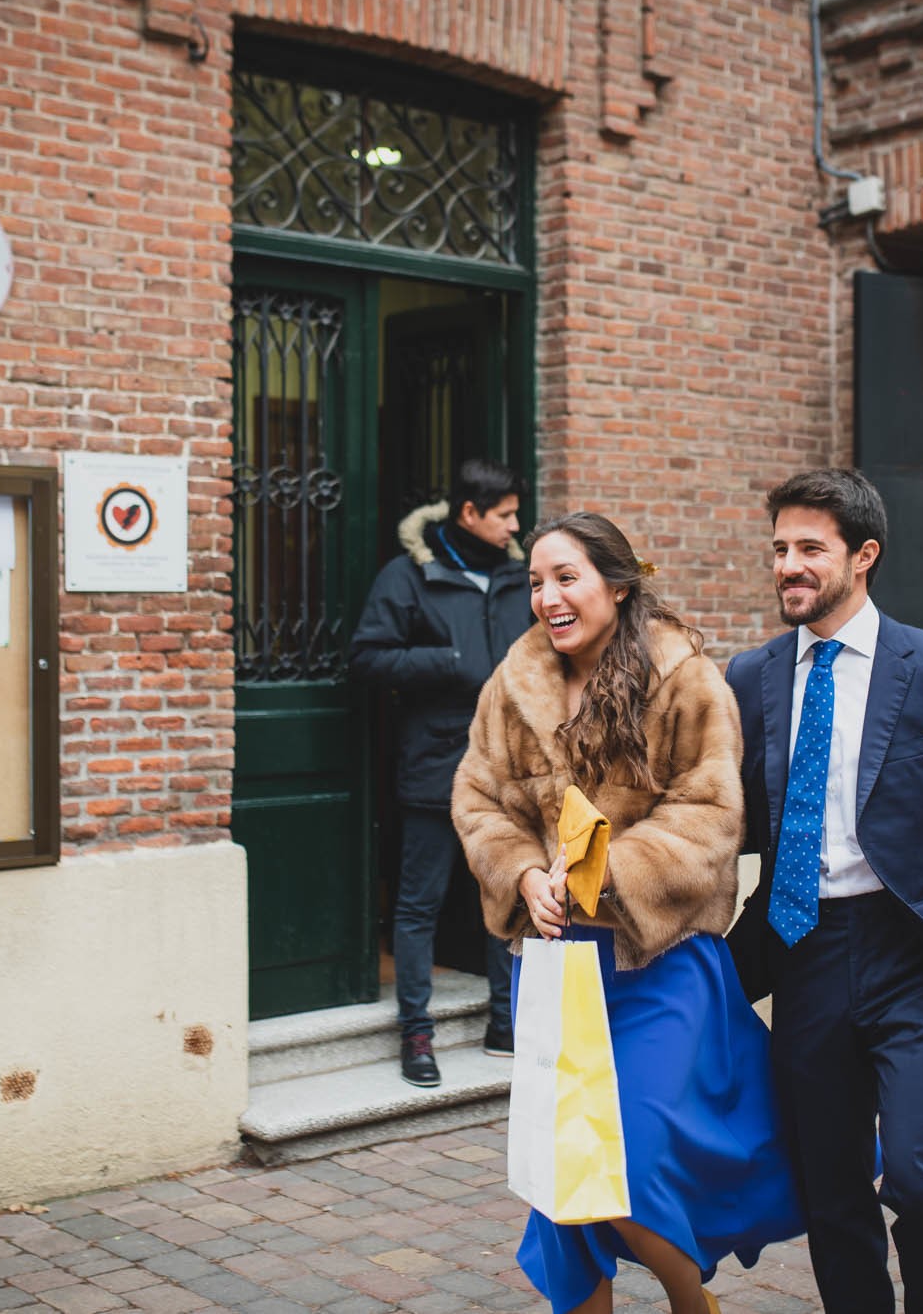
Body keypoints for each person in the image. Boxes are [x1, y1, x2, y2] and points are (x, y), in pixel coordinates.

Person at [453, 512, 803, 1314]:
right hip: (557, 965)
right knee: (565, 1179)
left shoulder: (684, 679)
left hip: (659, 963)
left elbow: (711, 816)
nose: (548, 597)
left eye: (566, 577)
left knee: (632, 1164)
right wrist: (523, 874)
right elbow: (477, 800)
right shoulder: (513, 684)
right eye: (536, 582)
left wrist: (604, 872)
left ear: (616, 584)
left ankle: (692, 1303)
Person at [725, 469, 923, 1314]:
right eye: (780, 548)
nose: (789, 565)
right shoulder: (751, 677)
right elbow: (715, 816)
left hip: (915, 957)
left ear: (863, 555)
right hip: (803, 950)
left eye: (810, 548)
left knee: (921, 1173)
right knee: (829, 1185)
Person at [349, 459, 532, 1088]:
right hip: (435, 765)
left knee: (507, 895)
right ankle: (416, 1032)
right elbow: (368, 657)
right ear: (469, 513)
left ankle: (506, 1023)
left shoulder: (520, 578)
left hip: (507, 768)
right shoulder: (408, 575)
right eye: (505, 514)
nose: (515, 526)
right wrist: (450, 660)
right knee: (419, 903)